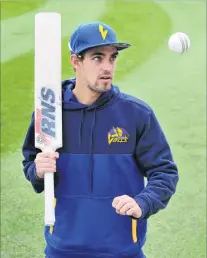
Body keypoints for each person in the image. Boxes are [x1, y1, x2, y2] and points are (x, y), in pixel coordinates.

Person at [22, 21, 179, 258]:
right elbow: (31, 164)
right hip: (63, 250)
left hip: (122, 251)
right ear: (76, 61)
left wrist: (143, 202)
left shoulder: (136, 114)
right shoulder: (49, 114)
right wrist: (38, 171)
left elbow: (164, 172)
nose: (108, 67)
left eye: (112, 58)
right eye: (97, 58)